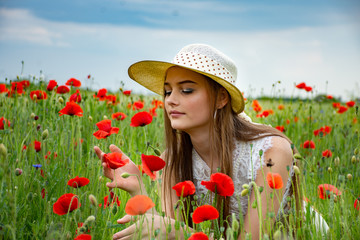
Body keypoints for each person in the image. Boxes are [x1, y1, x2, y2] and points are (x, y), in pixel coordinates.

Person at [94, 44, 303, 239]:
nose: (171, 100)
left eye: (186, 90)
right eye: (167, 91)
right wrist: (137, 188)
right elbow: (166, 231)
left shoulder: (271, 152)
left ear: (222, 98)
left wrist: (176, 231)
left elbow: (176, 232)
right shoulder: (173, 159)